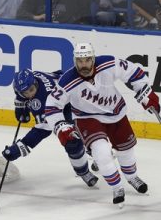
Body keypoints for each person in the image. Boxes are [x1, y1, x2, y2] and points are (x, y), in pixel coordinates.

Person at [45, 42, 160, 207]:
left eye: (87, 60)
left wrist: (144, 92)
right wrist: (61, 126)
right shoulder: (67, 81)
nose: (83, 64)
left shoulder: (108, 63)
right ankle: (117, 187)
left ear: (93, 58)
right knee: (102, 153)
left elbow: (133, 72)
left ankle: (131, 177)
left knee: (126, 150)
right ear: (75, 60)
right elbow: (51, 106)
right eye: (79, 61)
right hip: (87, 119)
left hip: (116, 113)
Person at [2, 69, 99, 188]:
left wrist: (21, 146)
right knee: (79, 138)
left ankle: (87, 169)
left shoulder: (45, 101)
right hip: (64, 93)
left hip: (72, 104)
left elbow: (42, 130)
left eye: (31, 90)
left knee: (73, 141)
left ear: (35, 84)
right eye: (25, 93)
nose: (29, 94)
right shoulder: (32, 78)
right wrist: (21, 107)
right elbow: (22, 93)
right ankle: (93, 158)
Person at [16, 0, 92, 24]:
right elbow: (20, 14)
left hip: (67, 32)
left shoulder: (74, 0)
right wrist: (36, 17)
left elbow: (86, 16)